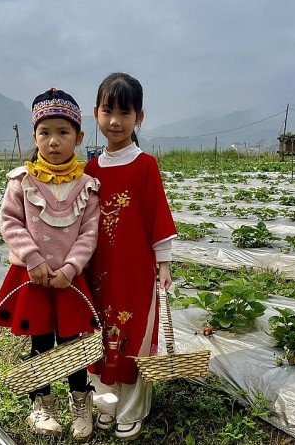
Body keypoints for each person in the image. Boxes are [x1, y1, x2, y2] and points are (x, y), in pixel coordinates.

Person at [0, 88, 100, 441]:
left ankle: (81, 402)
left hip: (69, 279)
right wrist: (33, 259)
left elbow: (88, 234)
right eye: (45, 132)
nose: (54, 141)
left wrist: (70, 269)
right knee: (40, 343)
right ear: (35, 135)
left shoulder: (87, 186)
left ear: (79, 138)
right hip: (32, 276)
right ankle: (42, 404)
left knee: (72, 342)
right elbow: (10, 222)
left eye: (63, 132)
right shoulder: (21, 180)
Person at [85, 72, 177, 441]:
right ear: (96, 114)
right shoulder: (89, 171)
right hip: (98, 271)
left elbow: (158, 216)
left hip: (137, 271)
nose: (115, 121)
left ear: (140, 117)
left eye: (125, 112)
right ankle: (104, 404)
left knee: (134, 337)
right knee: (97, 336)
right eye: (109, 111)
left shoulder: (145, 166)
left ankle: (131, 409)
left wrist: (164, 264)